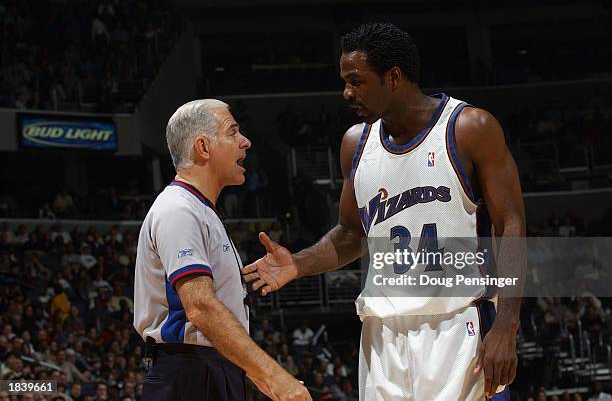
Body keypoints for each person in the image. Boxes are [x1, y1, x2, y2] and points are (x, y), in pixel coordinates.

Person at [243, 23, 525, 401]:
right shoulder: (355, 144)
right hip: (382, 333)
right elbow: (350, 234)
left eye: (356, 81)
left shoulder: (469, 128)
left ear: (393, 77)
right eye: (344, 81)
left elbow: (512, 225)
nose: (346, 93)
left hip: (458, 325)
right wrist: (299, 263)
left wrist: (507, 323)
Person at [134, 99, 311, 401]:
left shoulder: (201, 209)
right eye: (233, 132)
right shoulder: (178, 209)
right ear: (203, 147)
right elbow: (200, 307)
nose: (246, 142)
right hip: (189, 372)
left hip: (210, 368)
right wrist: (274, 375)